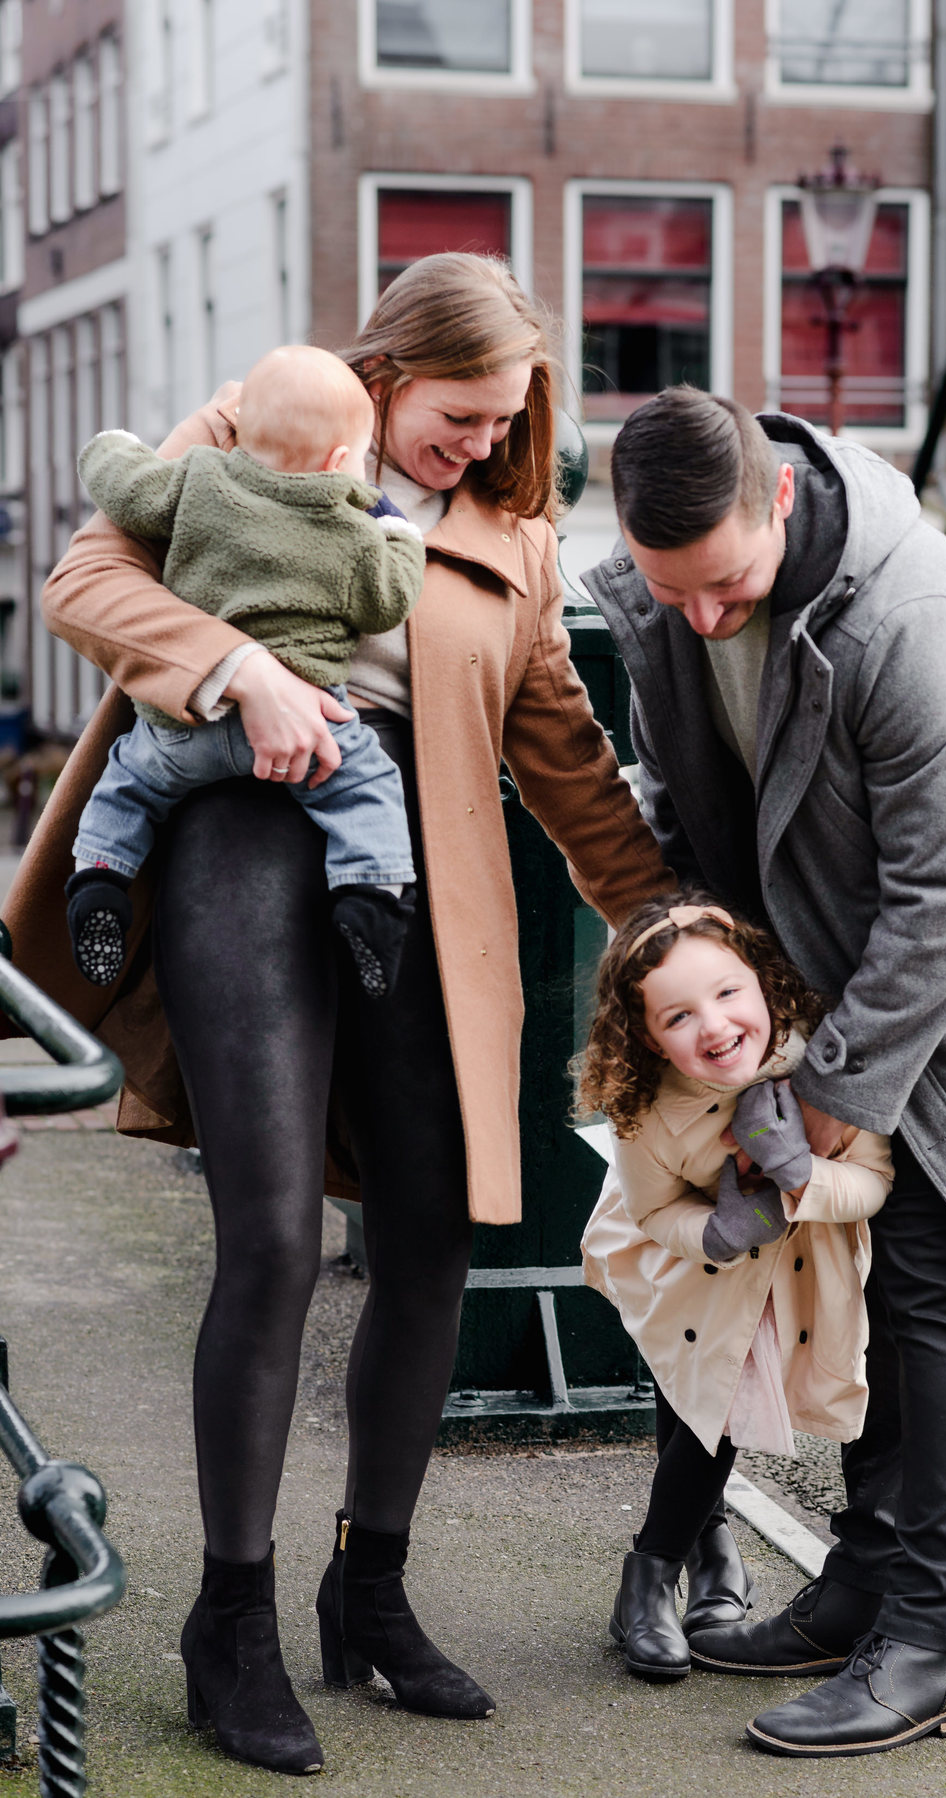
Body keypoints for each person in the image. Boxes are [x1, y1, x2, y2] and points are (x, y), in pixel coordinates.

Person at [2, 253, 670, 1776]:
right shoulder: (260, 426)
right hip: (239, 829)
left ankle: (371, 1584)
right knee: (275, 1236)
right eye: (459, 415)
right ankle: (226, 1615)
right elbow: (85, 581)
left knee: (436, 1229)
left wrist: (663, 916)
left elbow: (561, 748)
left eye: (507, 422)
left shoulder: (513, 527)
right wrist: (239, 669)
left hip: (417, 873)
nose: (481, 444)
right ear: (384, 375)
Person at [581, 385, 946, 1758]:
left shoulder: (906, 614)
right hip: (825, 982)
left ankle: (936, 1642)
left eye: (724, 589)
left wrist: (828, 1104)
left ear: (775, 503)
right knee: (864, 1273)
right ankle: (865, 1586)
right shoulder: (686, 595)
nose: (701, 618)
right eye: (666, 590)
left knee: (938, 1282)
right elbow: (688, 793)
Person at [576, 896, 892, 1683]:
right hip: (681, 1254)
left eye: (726, 994)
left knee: (717, 1402)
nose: (713, 1027)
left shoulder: (816, 1062)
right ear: (645, 1037)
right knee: (691, 1380)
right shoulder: (644, 1106)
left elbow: (872, 1180)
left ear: (764, 982)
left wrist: (796, 1171)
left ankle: (660, 1567)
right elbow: (651, 1209)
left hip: (780, 1265)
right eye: (677, 1017)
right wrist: (712, 1234)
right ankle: (686, 1563)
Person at [67, 345, 425, 1000]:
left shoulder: (199, 478)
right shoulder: (351, 532)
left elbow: (128, 488)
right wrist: (395, 529)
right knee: (368, 788)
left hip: (186, 725)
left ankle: (98, 877)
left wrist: (112, 443)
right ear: (341, 461)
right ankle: (370, 898)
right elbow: (389, 601)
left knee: (128, 782)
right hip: (312, 728)